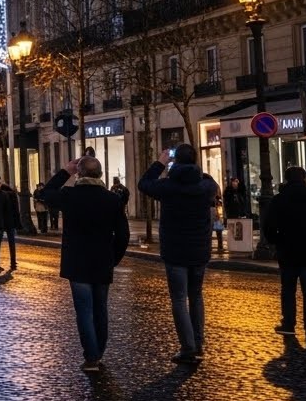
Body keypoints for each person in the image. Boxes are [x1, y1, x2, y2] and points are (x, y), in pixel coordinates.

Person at [36, 155, 130, 371]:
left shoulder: (70, 195)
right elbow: (123, 234)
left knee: (84, 310)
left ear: (80, 174)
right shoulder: (112, 199)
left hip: (77, 261)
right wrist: (113, 258)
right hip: (102, 260)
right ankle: (99, 350)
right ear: (101, 174)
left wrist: (65, 172)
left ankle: (92, 356)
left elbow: (45, 193)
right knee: (100, 309)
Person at [138, 143, 219, 365]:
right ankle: (198, 342)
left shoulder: (168, 186)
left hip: (175, 249)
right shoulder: (206, 186)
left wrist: (160, 163)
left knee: (178, 299)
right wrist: (194, 168)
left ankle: (188, 347)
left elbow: (144, 184)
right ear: (194, 162)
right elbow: (212, 184)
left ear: (175, 162)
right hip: (199, 249)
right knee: (196, 296)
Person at [265, 166, 306, 339]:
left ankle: (288, 324)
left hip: (287, 252)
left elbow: (269, 227)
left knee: (288, 290)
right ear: (304, 178)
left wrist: (276, 241)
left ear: (286, 179)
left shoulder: (279, 200)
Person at [1, 181, 22, 270]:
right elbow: (16, 210)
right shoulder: (13, 194)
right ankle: (13, 262)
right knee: (12, 242)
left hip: (1, 221)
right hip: (11, 221)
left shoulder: (0, 194)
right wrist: (18, 222)